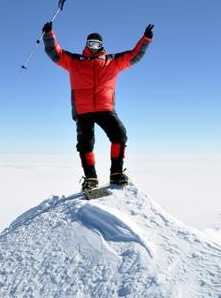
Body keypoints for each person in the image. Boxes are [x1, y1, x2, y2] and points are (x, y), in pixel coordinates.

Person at [42, 21, 153, 191]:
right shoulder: (75, 61)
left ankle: (116, 174)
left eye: (96, 44)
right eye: (90, 43)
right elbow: (54, 53)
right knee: (85, 145)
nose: (93, 47)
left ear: (102, 45)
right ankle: (90, 178)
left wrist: (145, 39)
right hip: (83, 110)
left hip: (105, 108)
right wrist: (49, 34)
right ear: (86, 45)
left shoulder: (112, 61)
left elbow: (134, 56)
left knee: (120, 135)